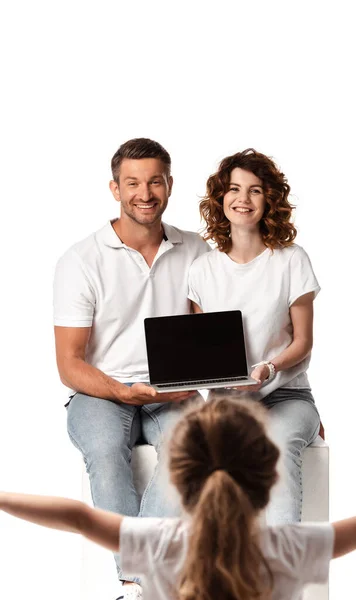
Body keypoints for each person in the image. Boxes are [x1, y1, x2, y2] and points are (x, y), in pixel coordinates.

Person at [1, 395, 356, 600]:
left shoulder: (162, 545)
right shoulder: (289, 548)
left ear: (178, 479)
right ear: (266, 481)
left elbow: (78, 517)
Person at [53, 138, 210, 599]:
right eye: (133, 183)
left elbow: (211, 338)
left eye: (155, 181)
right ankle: (141, 580)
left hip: (175, 389)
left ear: (169, 185)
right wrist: (122, 392)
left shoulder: (197, 250)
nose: (145, 193)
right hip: (101, 390)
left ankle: (133, 583)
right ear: (115, 189)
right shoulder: (81, 260)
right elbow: (69, 363)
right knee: (104, 452)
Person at [188, 148, 321, 525]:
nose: (243, 199)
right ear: (221, 198)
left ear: (270, 200)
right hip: (227, 400)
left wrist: (268, 367)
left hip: (286, 396)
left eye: (255, 190)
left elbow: (303, 342)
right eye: (234, 189)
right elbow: (203, 348)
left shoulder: (291, 259)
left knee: (277, 445)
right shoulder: (202, 270)